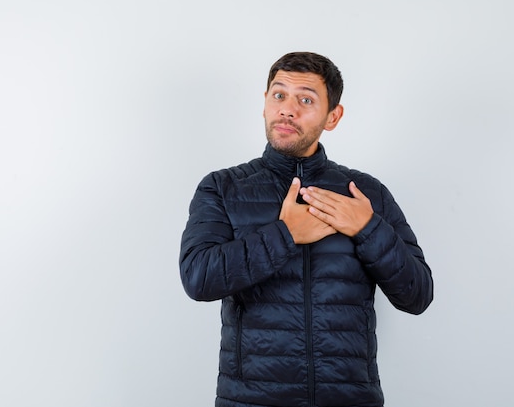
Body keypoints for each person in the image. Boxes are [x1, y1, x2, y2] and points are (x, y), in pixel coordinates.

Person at [179, 52, 433, 407]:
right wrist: (285, 234)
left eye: (306, 100)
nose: (287, 109)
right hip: (251, 400)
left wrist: (367, 227)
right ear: (265, 104)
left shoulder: (366, 193)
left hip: (349, 399)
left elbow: (418, 295)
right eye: (279, 95)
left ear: (333, 117)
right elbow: (197, 278)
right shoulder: (223, 187)